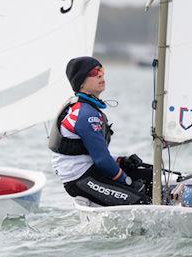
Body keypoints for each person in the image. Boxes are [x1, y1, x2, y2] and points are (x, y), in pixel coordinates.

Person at [48, 56, 153, 206]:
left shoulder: (87, 108)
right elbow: (102, 160)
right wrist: (127, 182)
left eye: (101, 70)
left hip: (91, 169)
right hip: (79, 178)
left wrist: (120, 160)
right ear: (81, 82)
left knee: (149, 177)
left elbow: (88, 153)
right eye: (93, 72)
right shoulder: (85, 114)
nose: (100, 75)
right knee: (140, 202)